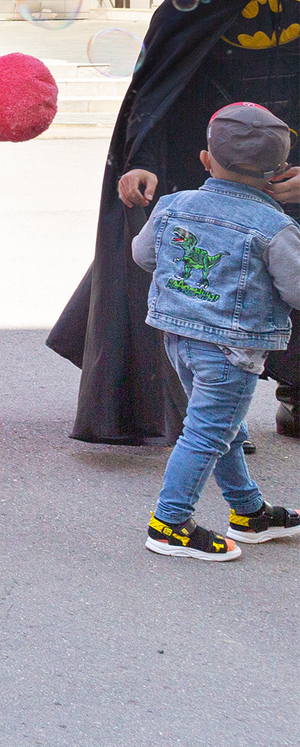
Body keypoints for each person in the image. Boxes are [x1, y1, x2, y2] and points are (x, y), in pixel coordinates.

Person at [53, 0, 300, 444]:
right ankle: (199, 401)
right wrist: (140, 159)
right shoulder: (193, 3)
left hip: (293, 157)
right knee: (204, 272)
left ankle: (291, 393)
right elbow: (154, 89)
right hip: (215, 160)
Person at [132, 102, 300, 561]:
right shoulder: (276, 226)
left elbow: (143, 256)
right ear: (279, 171)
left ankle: (249, 513)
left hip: (178, 340)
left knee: (222, 427)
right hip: (233, 352)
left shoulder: (173, 205)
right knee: (208, 434)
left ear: (206, 159)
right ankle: (169, 524)